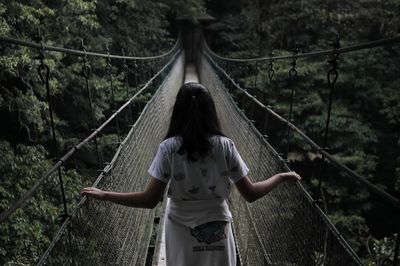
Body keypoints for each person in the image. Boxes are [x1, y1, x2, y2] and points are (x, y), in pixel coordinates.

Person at [81, 82, 301, 266]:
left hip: (179, 227)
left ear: (177, 111)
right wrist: (279, 177)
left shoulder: (168, 148)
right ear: (211, 110)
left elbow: (150, 200)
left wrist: (105, 194)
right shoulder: (225, 146)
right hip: (218, 227)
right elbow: (251, 194)